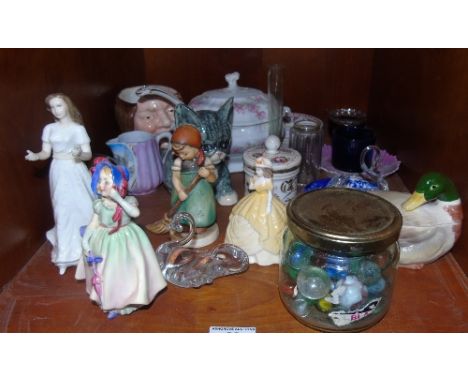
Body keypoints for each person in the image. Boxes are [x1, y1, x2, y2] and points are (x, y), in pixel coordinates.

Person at [75, 158, 167, 319]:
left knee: (128, 272)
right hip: (104, 240)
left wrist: (118, 198)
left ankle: (129, 301)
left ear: (118, 184)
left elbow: (135, 213)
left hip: (126, 239)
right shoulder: (99, 204)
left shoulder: (128, 201)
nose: (102, 185)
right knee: (107, 274)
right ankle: (111, 302)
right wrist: (85, 240)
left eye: (107, 181)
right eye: (100, 180)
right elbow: (93, 224)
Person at [25, 93, 94, 275]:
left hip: (75, 169)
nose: (56, 110)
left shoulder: (77, 129)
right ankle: (65, 255)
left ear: (67, 106)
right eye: (53, 107)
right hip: (58, 170)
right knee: (62, 210)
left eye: (59, 105)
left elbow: (88, 154)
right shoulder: (49, 128)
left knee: (84, 206)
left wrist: (78, 154)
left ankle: (90, 247)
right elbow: (45, 152)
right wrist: (36, 156)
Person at [225, 156, 287, 266]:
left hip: (265, 202)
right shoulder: (257, 178)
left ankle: (266, 255)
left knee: (268, 225)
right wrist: (254, 182)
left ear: (265, 170)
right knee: (243, 216)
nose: (257, 171)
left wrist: (268, 208)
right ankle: (248, 253)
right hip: (254, 199)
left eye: (260, 169)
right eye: (257, 169)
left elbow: (268, 194)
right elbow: (252, 187)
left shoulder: (267, 181)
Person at [170, 124, 218, 247]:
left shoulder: (205, 161)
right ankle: (184, 226)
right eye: (178, 153)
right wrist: (180, 190)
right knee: (182, 210)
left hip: (200, 193)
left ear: (196, 147)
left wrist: (208, 174)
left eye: (185, 153)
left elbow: (214, 178)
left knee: (200, 209)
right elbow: (175, 177)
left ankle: (199, 226)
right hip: (184, 190)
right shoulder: (178, 162)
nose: (181, 156)